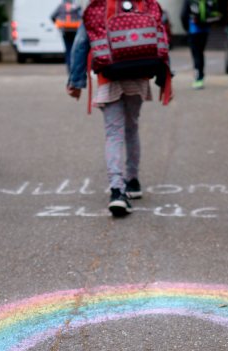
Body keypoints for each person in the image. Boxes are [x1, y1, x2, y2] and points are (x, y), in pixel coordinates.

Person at [66, 20, 170, 217]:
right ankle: (133, 181)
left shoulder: (99, 4)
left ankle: (117, 191)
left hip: (109, 74)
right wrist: (165, 79)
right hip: (139, 73)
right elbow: (161, 35)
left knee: (114, 133)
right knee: (132, 128)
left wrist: (76, 80)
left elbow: (81, 42)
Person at [180, 0, 219, 89]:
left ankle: (198, 78)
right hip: (205, 30)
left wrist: (187, 29)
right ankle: (201, 76)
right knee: (200, 53)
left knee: (196, 55)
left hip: (194, 31)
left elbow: (182, 15)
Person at [51, 0, 83, 72]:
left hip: (65, 30)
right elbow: (82, 16)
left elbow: (52, 16)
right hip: (75, 30)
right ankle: (74, 66)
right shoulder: (76, 6)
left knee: (68, 49)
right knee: (74, 49)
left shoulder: (61, 6)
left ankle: (69, 67)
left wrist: (58, 24)